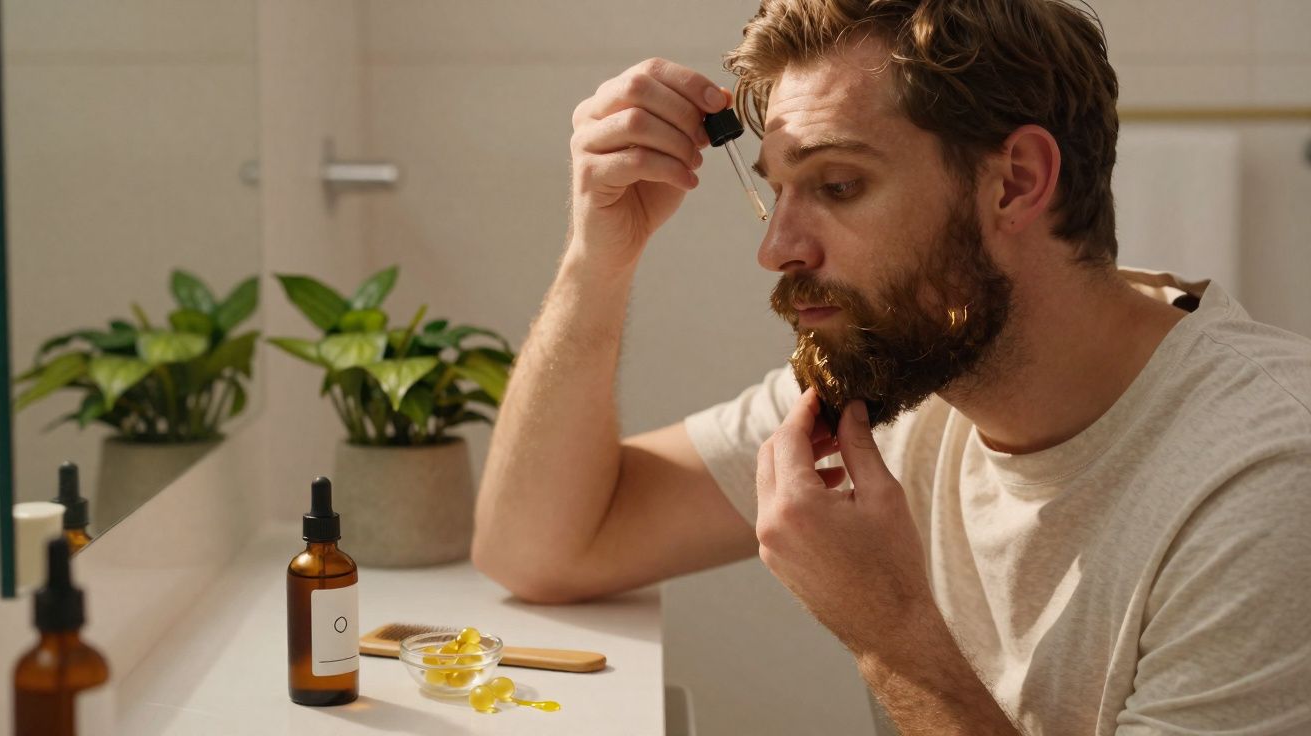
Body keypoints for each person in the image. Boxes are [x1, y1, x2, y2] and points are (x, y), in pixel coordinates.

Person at [472, 0, 1311, 733]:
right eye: (778, 191)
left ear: (1016, 183)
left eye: (837, 186)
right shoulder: (914, 376)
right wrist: (598, 257)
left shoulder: (1267, 480)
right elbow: (542, 549)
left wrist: (890, 633)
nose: (776, 249)